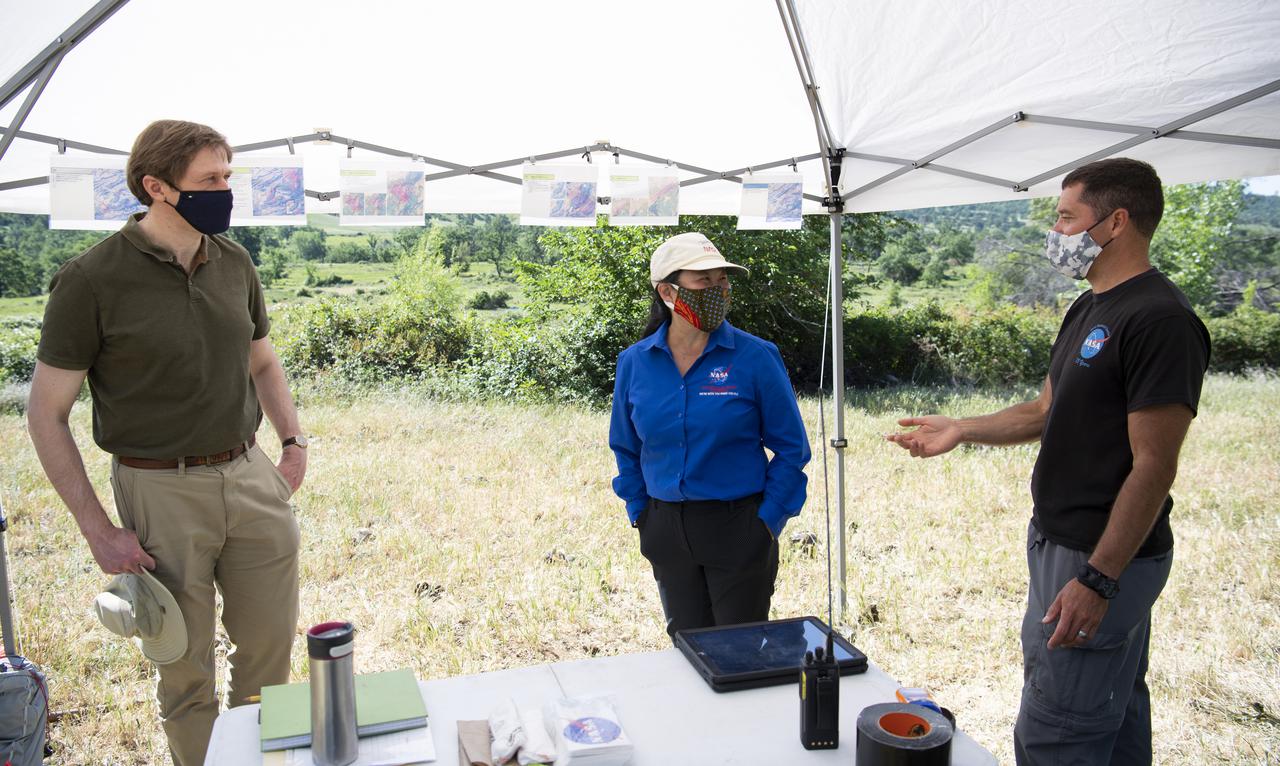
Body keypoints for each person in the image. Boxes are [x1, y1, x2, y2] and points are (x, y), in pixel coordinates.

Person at [886, 158, 1209, 765]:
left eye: (1066, 217)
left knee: (1056, 734)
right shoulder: (1090, 307)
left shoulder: (1159, 320)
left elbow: (1154, 465)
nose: (1055, 232)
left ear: (1115, 222)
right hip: (1060, 543)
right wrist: (964, 427)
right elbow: (1044, 411)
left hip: (1100, 556)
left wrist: (1098, 579)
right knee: (1109, 715)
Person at [27, 120, 308, 766]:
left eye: (228, 177)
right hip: (158, 489)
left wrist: (291, 442)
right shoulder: (91, 280)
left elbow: (262, 363)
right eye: (209, 180)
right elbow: (46, 415)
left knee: (269, 658)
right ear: (156, 186)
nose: (225, 191)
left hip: (248, 475)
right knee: (185, 672)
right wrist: (98, 530)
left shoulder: (234, 263)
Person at [609, 232, 811, 641]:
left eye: (722, 281)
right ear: (667, 291)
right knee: (687, 650)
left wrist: (767, 522)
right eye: (704, 281)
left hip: (739, 526)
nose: (718, 290)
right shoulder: (635, 363)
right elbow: (626, 447)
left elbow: (792, 448)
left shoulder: (755, 357)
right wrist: (641, 513)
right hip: (665, 526)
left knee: (741, 652)